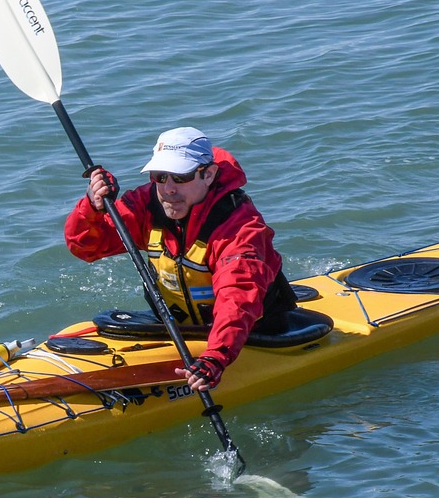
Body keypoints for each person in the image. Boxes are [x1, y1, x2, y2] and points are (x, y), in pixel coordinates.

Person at [65, 126, 296, 393]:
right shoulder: (146, 204)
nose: (169, 189)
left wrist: (215, 358)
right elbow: (86, 247)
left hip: (255, 334)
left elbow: (237, 298)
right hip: (183, 330)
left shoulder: (239, 227)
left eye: (180, 177)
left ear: (208, 174)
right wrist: (93, 207)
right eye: (160, 176)